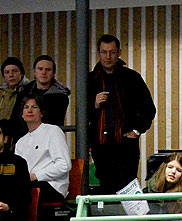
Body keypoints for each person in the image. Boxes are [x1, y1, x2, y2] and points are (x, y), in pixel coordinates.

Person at [87, 34, 156, 194]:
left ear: (119, 52)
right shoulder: (90, 80)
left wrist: (137, 131)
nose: (108, 57)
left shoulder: (131, 77)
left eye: (112, 52)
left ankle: (130, 220)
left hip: (126, 144)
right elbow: (82, 115)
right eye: (104, 52)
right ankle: (110, 219)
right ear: (98, 53)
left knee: (128, 187)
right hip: (100, 145)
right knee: (105, 187)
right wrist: (94, 105)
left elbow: (148, 109)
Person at [9, 54, 71, 136]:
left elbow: (53, 121)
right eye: (40, 69)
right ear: (34, 72)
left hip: (48, 139)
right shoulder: (23, 93)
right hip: (23, 138)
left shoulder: (61, 96)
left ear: (53, 73)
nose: (44, 72)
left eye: (48, 70)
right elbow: (15, 119)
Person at [0, 56, 29, 125]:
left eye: (15, 71)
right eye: (7, 72)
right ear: (4, 76)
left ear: (22, 73)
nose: (11, 75)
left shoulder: (29, 93)